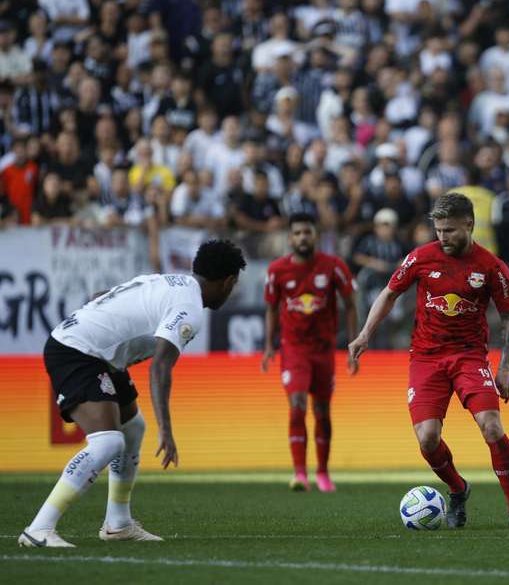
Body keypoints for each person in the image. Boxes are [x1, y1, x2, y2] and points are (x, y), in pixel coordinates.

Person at [19, 239, 246, 548]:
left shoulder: (168, 279)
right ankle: (39, 529)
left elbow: (102, 296)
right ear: (229, 281)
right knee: (109, 441)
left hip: (97, 353)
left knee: (132, 427)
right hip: (77, 351)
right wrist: (166, 430)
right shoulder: (189, 308)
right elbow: (160, 369)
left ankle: (118, 522)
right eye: (233, 285)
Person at [349, 192, 509, 529]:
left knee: (491, 425)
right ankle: (458, 489)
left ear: (469, 224)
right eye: (438, 230)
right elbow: (389, 294)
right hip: (425, 358)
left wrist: (504, 367)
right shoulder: (421, 258)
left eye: (449, 230)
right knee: (427, 438)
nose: (442, 237)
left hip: (469, 356)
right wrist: (364, 335)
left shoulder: (491, 266)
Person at [262, 213, 359, 493]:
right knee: (297, 404)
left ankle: (323, 473)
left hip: (324, 350)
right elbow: (270, 308)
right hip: (293, 349)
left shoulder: (333, 267)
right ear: (290, 238)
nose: (303, 237)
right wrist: (269, 346)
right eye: (298, 233)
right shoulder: (277, 270)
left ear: (315, 236)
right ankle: (300, 473)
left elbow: (350, 304)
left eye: (307, 232)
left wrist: (353, 345)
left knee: (322, 410)